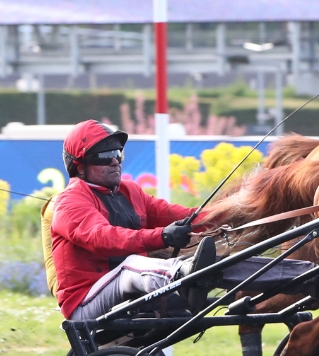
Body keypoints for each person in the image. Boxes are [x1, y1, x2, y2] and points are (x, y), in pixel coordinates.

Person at [50, 120, 215, 320]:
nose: (115, 162)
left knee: (148, 264)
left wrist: (232, 213)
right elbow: (103, 238)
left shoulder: (130, 191)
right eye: (104, 156)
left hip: (128, 292)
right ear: (80, 167)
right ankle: (186, 275)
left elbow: (181, 215)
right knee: (131, 265)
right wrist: (163, 236)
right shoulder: (70, 201)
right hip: (84, 304)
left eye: (118, 154)